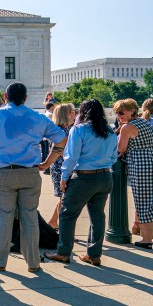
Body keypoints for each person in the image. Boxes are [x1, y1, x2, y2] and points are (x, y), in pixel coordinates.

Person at [0, 82, 67, 273]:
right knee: (30, 218)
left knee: (4, 218)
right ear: (26, 98)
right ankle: (33, 262)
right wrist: (47, 163)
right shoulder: (37, 117)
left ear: (5, 96)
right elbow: (61, 139)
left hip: (3, 173)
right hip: (30, 172)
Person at [43, 99, 116, 266]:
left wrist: (64, 177)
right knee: (97, 217)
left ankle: (63, 252)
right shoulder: (110, 132)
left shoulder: (79, 130)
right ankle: (94, 254)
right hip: (105, 176)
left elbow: (71, 157)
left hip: (84, 176)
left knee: (67, 214)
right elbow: (113, 157)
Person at [115, 98, 153, 248]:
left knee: (142, 202)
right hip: (150, 159)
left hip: (139, 164)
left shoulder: (127, 127)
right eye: (117, 113)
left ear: (131, 110)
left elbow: (121, 148)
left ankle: (147, 239)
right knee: (150, 201)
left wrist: (120, 130)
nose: (119, 116)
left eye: (121, 112)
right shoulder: (144, 122)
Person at [43, 103, 76, 229]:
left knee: (64, 198)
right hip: (62, 167)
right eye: (73, 111)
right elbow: (63, 153)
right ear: (66, 114)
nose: (75, 113)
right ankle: (63, 228)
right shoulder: (64, 131)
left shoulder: (61, 129)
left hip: (59, 166)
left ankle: (53, 222)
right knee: (66, 198)